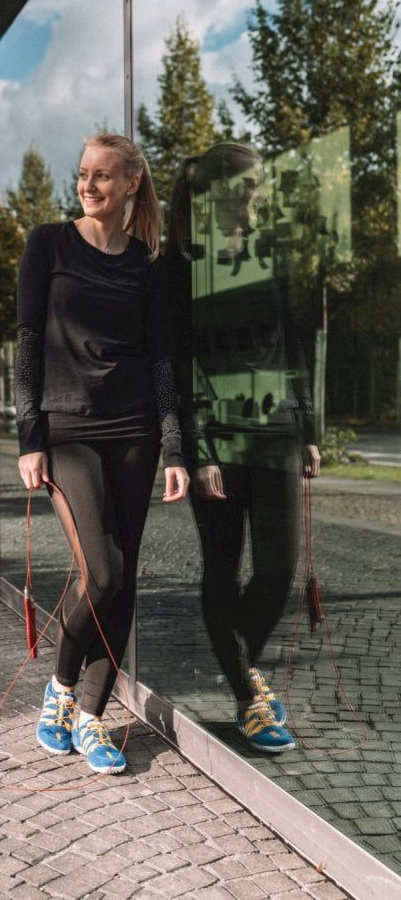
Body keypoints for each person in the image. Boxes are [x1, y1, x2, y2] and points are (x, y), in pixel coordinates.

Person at [15, 133, 189, 774]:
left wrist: (174, 446)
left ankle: (91, 719)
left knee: (126, 580)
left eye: (102, 177)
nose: (88, 186)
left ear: (131, 185)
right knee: (103, 574)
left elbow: (162, 360)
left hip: (136, 433)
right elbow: (28, 342)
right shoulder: (48, 245)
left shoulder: (145, 265)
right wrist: (28, 436)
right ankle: (60, 689)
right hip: (68, 433)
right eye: (83, 173)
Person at [167, 141, 320, 754]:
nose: (257, 196)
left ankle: (239, 665)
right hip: (219, 441)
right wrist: (197, 449)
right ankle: (248, 695)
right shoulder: (181, 265)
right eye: (249, 185)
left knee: (278, 569)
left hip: (278, 431)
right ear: (218, 192)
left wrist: (307, 430)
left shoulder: (267, 253)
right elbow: (180, 365)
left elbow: (293, 346)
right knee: (223, 570)